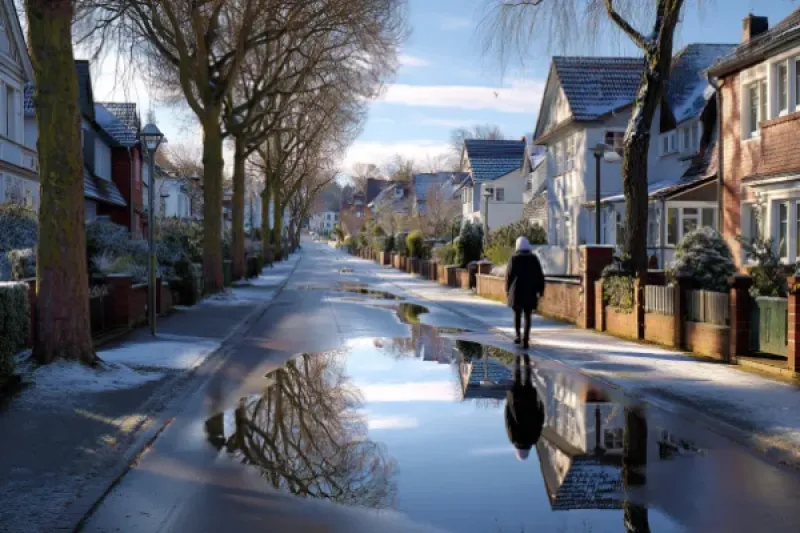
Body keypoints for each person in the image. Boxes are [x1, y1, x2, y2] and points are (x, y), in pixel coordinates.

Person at [505, 236, 545, 350]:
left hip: (516, 292)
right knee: (528, 316)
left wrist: (507, 290)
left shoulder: (514, 258)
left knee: (517, 314)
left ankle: (518, 335)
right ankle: (526, 339)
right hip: (530, 291)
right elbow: (539, 276)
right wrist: (541, 290)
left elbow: (508, 276)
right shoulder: (534, 259)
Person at [504, 354, 545, 461]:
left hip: (530, 404)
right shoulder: (513, 439)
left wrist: (541, 407)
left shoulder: (533, 439)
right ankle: (517, 357)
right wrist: (508, 406)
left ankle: (526, 358)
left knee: (528, 380)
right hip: (516, 404)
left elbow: (540, 422)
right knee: (517, 378)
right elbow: (509, 421)